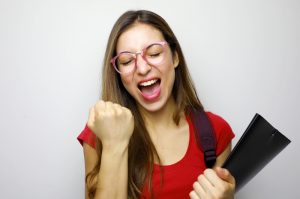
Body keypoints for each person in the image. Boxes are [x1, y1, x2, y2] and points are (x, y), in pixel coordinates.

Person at [77, 10, 236, 199]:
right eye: (127, 61)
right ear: (118, 74)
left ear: (175, 57)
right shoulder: (100, 130)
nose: (142, 69)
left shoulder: (215, 131)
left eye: (154, 53)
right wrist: (114, 143)